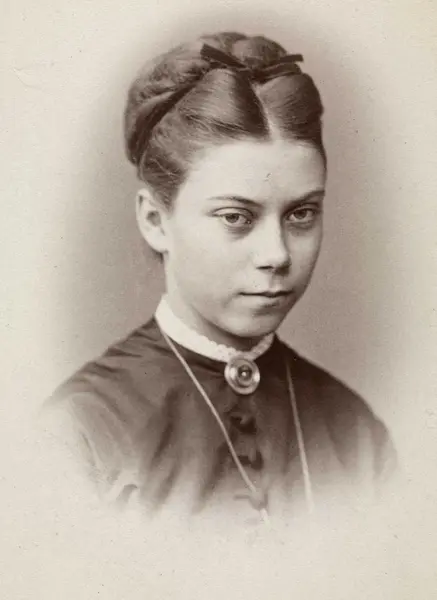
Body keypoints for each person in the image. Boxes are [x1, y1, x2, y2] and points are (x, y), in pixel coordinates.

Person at [42, 31, 396, 524]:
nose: (276, 255)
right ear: (155, 220)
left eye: (301, 214)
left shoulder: (355, 432)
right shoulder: (78, 430)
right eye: (236, 217)